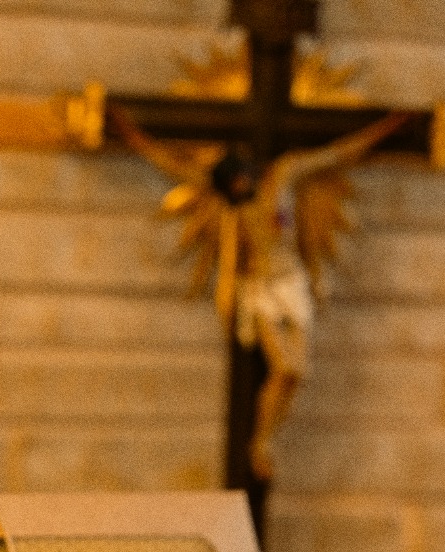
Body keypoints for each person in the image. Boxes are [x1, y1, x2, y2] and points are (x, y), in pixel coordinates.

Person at [111, 108, 407, 480]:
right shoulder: (229, 194)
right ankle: (261, 442)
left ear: (248, 172)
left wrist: (384, 130)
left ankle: (268, 437)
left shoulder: (284, 175)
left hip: (292, 282)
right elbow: (174, 167)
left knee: (297, 373)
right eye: (231, 190)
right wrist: (133, 137)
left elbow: (336, 155)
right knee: (283, 367)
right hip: (261, 289)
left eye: (239, 184)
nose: (237, 192)